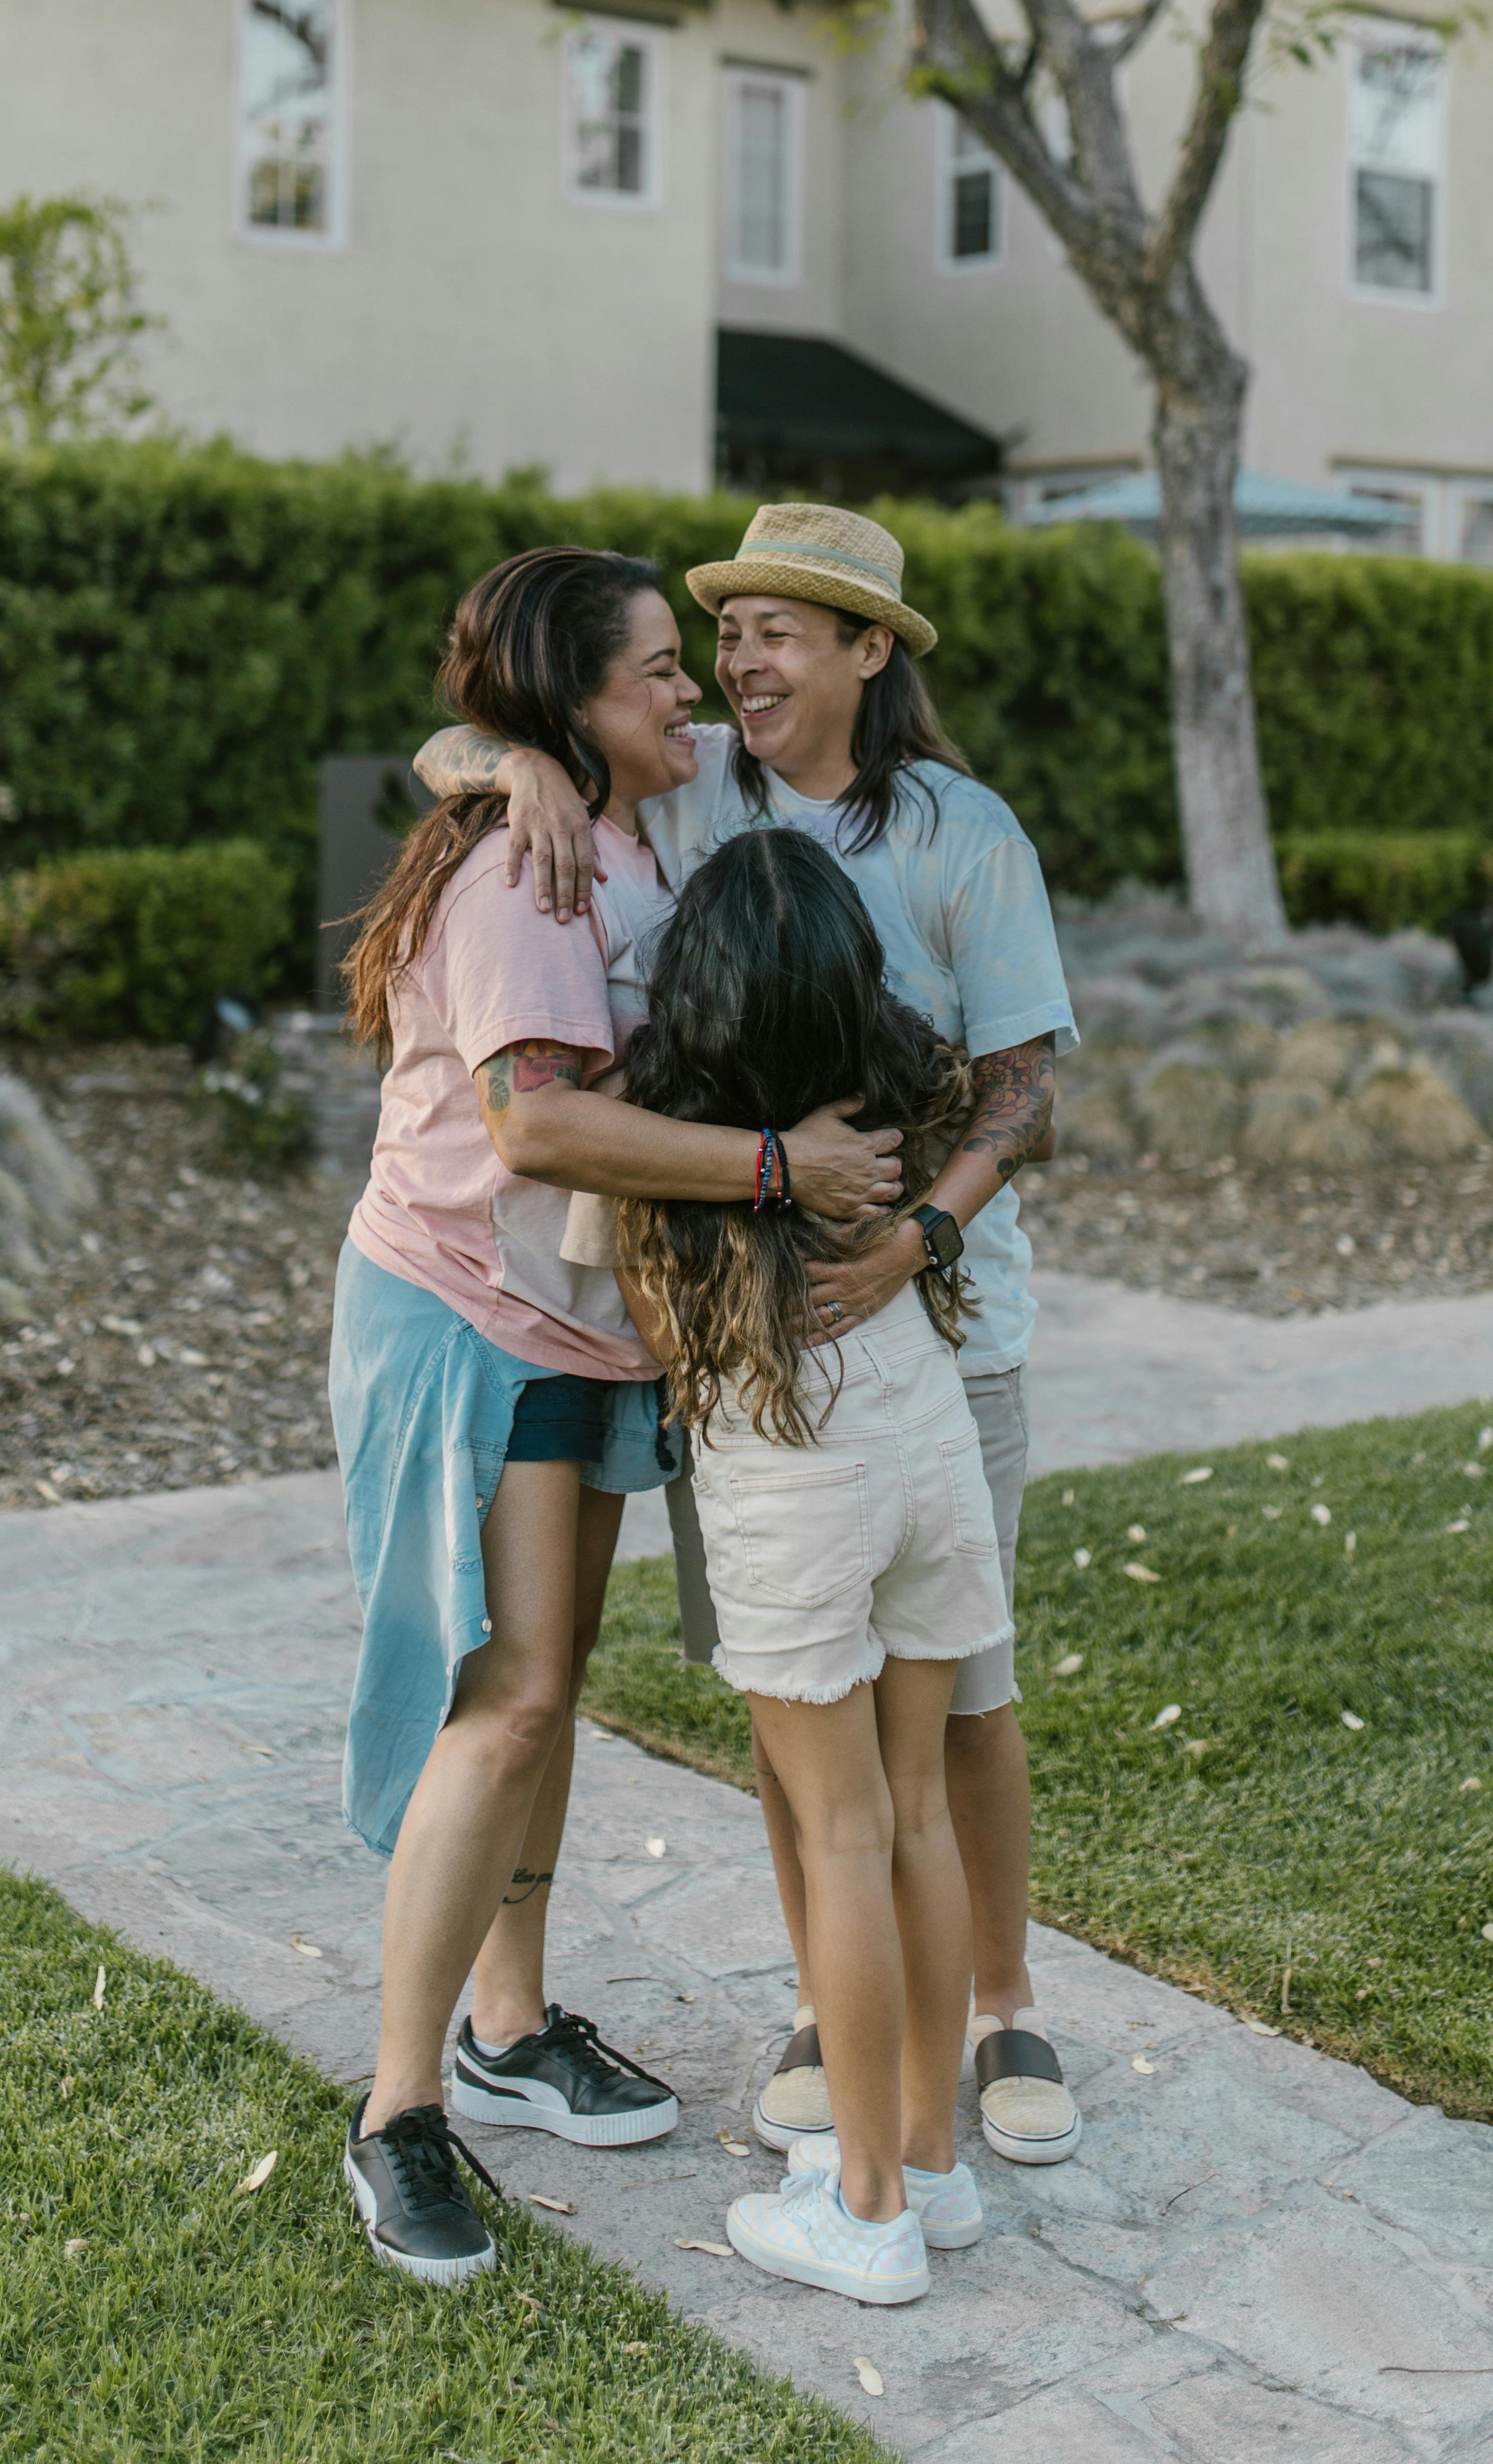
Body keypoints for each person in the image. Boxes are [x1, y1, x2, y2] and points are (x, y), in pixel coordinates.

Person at [417, 502, 1082, 2170]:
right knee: (800, 1690)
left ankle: (999, 2009)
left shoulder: (958, 831)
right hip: (743, 1359)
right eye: (731, 630)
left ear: (870, 653)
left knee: (960, 1704)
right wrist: (530, 774)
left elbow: (1023, 1095)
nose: (741, 656)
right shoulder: (692, 779)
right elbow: (458, 738)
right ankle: (831, 2009)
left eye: (786, 628)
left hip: (946, 1333)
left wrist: (921, 1233)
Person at [331, 543, 903, 2285]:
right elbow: (537, 1131)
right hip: (468, 1317)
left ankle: (511, 2029)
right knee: (500, 1704)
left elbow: (478, 735)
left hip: (585, 1336)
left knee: (549, 1693)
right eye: (654, 666)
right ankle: (397, 2114)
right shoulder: (530, 873)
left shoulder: (654, 814)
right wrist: (774, 1165)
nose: (690, 689)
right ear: (574, 703)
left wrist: (511, 751)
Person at [578, 830, 1009, 2305]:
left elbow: (647, 1327)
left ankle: (867, 2211)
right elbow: (1007, 1118)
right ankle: (934, 2172)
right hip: (925, 1447)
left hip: (793, 1478)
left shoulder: (660, 1122)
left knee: (836, 1836)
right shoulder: (893, 1080)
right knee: (916, 1822)